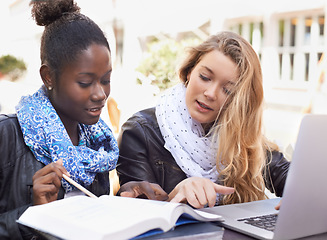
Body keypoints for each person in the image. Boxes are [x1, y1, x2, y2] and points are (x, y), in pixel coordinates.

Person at [0, 1, 166, 239]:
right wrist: (34, 215)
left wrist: (122, 201)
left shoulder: (97, 144)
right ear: (49, 77)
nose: (100, 94)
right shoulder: (7, 136)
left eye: (106, 79)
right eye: (85, 83)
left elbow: (86, 217)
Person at [117, 31, 290, 209]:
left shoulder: (241, 137)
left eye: (228, 90)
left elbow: (291, 177)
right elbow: (137, 216)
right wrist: (174, 197)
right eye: (205, 78)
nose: (210, 93)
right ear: (189, 72)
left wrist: (300, 198)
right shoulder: (139, 132)